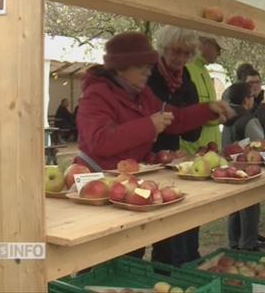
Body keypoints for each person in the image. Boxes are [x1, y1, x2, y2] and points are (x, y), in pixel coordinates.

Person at [74, 32, 233, 259]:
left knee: (132, 249)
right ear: (121, 67)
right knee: (102, 256)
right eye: (141, 67)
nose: (148, 72)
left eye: (149, 67)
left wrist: (208, 109)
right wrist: (149, 125)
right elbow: (100, 140)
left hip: (125, 185)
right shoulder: (96, 95)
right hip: (97, 188)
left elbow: (174, 118)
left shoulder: (141, 94)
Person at [146, 26, 202, 266]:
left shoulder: (186, 79)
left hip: (169, 163)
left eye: (187, 53)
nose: (181, 59)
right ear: (163, 48)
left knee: (173, 231)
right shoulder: (146, 75)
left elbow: (192, 133)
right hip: (139, 161)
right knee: (136, 237)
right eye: (176, 52)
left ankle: (170, 273)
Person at [222, 82, 264, 251]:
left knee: (234, 207)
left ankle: (234, 241)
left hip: (229, 168)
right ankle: (248, 244)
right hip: (248, 168)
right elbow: (260, 144)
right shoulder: (248, 119)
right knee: (250, 207)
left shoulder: (226, 118)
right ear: (247, 100)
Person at [180, 33, 227, 154]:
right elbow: (183, 114)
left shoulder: (204, 70)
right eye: (218, 48)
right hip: (192, 153)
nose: (219, 53)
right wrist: (217, 117)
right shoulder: (186, 69)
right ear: (205, 44)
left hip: (208, 152)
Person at [244, 69, 265, 139]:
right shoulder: (244, 104)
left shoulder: (263, 103)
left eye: (257, 82)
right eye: (251, 83)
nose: (255, 85)